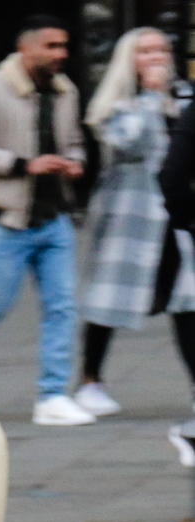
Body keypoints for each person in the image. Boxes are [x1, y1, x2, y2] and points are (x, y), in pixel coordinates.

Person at [0, 15, 91, 426]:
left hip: (54, 219)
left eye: (63, 46)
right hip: (4, 220)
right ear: (25, 47)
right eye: (51, 46)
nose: (60, 54)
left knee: (62, 306)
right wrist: (24, 165)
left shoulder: (66, 92)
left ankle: (53, 396)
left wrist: (75, 164)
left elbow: (74, 143)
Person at [74, 27, 195, 425]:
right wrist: (151, 99)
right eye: (145, 51)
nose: (156, 57)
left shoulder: (183, 97)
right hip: (131, 214)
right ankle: (90, 379)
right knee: (109, 298)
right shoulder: (117, 104)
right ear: (130, 59)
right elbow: (128, 143)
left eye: (161, 49)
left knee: (187, 301)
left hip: (177, 216)